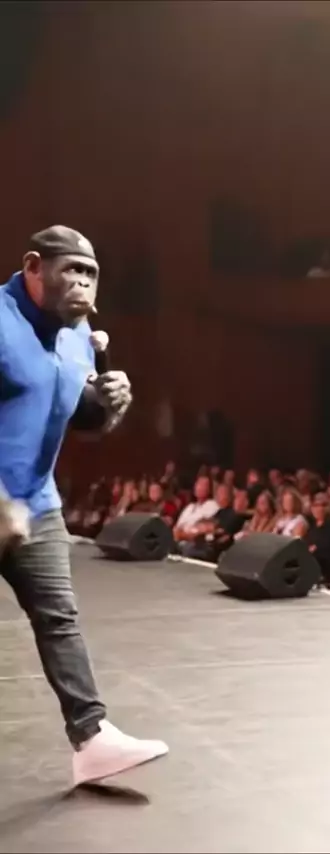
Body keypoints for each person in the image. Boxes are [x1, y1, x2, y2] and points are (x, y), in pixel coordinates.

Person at [0, 226, 168, 786]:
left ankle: (92, 739)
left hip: (36, 502)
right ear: (33, 266)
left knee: (59, 618)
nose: (82, 283)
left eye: (90, 274)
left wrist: (108, 405)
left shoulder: (78, 336)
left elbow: (76, 415)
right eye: (70, 270)